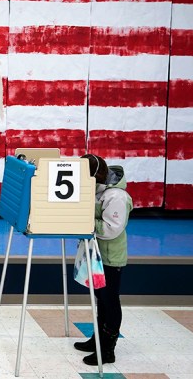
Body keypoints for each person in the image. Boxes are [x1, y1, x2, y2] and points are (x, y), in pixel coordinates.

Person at [74, 153, 133, 365]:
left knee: (110, 300)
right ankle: (97, 340)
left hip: (110, 257)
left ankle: (108, 349)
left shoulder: (116, 196)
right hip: (97, 254)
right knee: (101, 299)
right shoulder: (98, 190)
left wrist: (84, 221)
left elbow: (111, 229)